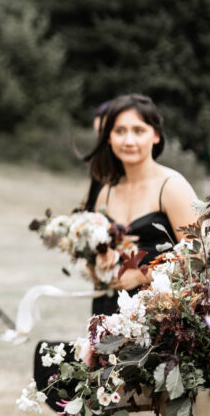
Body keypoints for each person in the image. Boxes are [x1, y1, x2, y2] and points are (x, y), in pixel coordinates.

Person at [84, 94, 197, 315]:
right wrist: (98, 263)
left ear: (155, 135)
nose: (128, 141)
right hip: (108, 312)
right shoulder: (105, 193)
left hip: (163, 319)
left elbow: (200, 258)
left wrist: (141, 276)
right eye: (119, 131)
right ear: (108, 138)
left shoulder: (172, 187)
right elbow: (96, 252)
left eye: (138, 130)